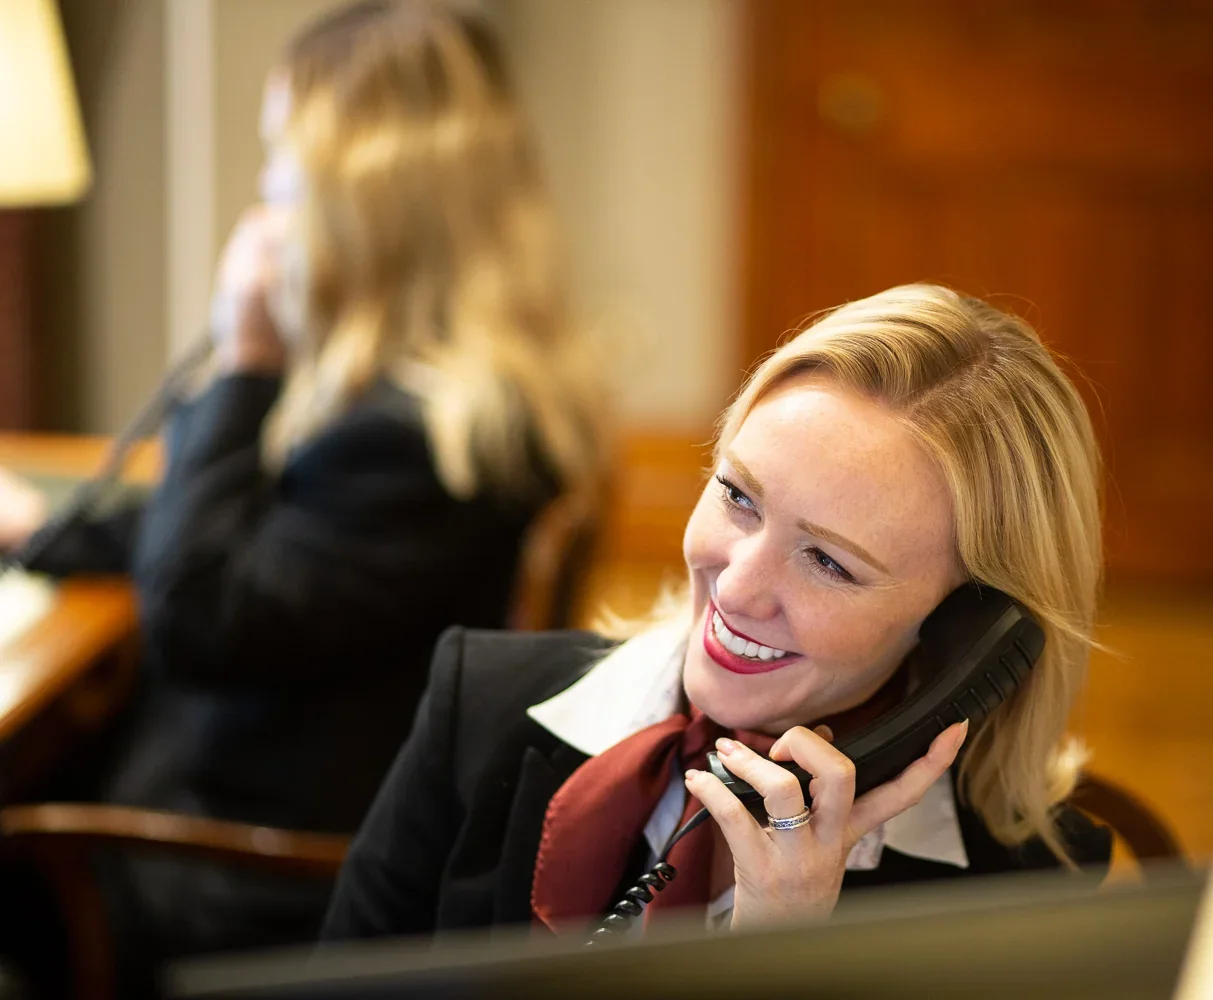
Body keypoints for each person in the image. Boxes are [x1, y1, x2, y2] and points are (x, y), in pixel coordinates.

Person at [0, 0, 601, 983]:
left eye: (283, 168)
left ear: (364, 201)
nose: (263, 202)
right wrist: (46, 529)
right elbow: (272, 542)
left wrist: (242, 363)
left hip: (242, 872)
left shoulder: (410, 444)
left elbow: (200, 614)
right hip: (280, 787)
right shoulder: (457, 402)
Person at [321, 283, 1112, 942]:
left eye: (828, 562)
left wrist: (772, 963)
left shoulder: (1020, 895)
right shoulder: (480, 706)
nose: (735, 589)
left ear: (965, 630)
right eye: (738, 497)